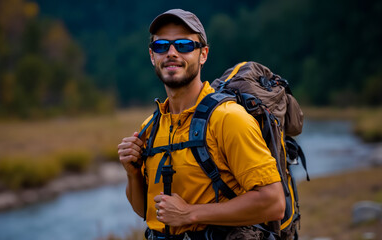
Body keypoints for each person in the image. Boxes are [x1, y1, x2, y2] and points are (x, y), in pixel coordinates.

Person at [117, 9, 285, 240]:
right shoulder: (152, 126)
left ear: (203, 54)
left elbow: (274, 203)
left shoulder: (228, 119)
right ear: (152, 56)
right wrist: (132, 174)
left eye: (184, 45)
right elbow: (147, 212)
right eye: (161, 46)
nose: (171, 53)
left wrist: (189, 214)